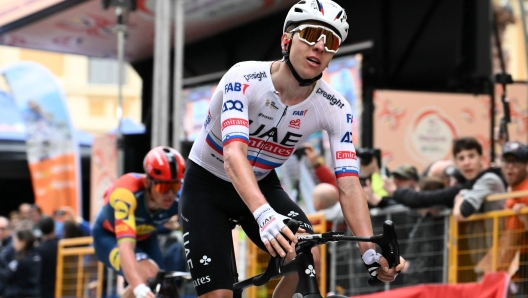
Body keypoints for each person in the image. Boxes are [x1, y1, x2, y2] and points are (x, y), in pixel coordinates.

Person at [180, 1, 405, 297]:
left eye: (331, 41)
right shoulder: (243, 77)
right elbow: (233, 155)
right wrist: (263, 215)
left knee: (308, 256)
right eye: (311, 34)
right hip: (206, 186)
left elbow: (349, 184)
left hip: (262, 181)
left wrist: (369, 253)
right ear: (287, 39)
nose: (320, 47)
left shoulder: (334, 106)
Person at [92, 146, 186, 298]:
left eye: (175, 186)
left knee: (163, 285)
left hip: (146, 238)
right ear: (148, 183)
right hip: (109, 237)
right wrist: (137, 286)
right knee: (147, 275)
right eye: (163, 187)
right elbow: (126, 247)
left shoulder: (180, 196)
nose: (170, 194)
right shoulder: (126, 193)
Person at [379, 137, 506, 214]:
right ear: (456, 163)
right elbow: (426, 198)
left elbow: (426, 198)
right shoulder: (464, 185)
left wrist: (395, 192)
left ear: (481, 158)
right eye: (461, 158)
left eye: (471, 156)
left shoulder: (489, 178)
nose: (467, 162)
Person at [501, 141, 528, 295]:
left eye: (516, 162)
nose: (510, 167)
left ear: (526, 164)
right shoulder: (513, 189)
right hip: (517, 261)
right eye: (506, 161)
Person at [0, 228, 41, 298]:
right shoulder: (37, 256)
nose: (13, 245)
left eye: (15, 241)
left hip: (19, 294)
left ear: (23, 242)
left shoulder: (21, 261)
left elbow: (6, 275)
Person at [36, 216, 59, 298]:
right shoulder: (62, 246)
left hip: (45, 291)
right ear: (54, 228)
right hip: (63, 288)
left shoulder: (38, 250)